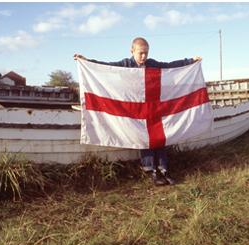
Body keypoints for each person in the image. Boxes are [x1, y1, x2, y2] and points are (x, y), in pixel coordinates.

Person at [74, 37, 202, 186]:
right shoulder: (124, 65)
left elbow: (170, 66)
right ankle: (152, 171)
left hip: (153, 108)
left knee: (159, 138)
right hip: (134, 110)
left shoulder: (152, 64)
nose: (144, 57)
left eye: (146, 53)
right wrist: (87, 61)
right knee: (143, 138)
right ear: (132, 51)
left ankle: (164, 169)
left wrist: (190, 61)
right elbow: (105, 67)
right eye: (141, 53)